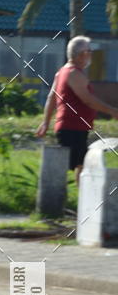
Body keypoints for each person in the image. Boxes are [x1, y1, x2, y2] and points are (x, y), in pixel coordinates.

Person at [37, 35, 118, 184]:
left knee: (80, 165)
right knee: (80, 165)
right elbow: (87, 99)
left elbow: (51, 98)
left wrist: (46, 122)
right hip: (72, 126)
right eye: (90, 51)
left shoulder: (62, 72)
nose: (91, 55)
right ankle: (68, 199)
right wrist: (112, 111)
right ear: (82, 54)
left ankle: (80, 198)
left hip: (73, 127)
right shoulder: (74, 73)